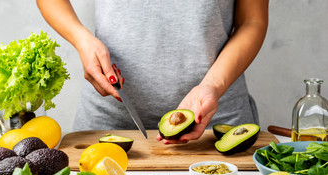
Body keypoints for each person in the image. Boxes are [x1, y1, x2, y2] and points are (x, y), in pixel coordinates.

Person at [36, 0, 269, 144]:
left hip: (216, 120)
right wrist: (81, 39)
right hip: (108, 117)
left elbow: (252, 20)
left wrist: (213, 85)